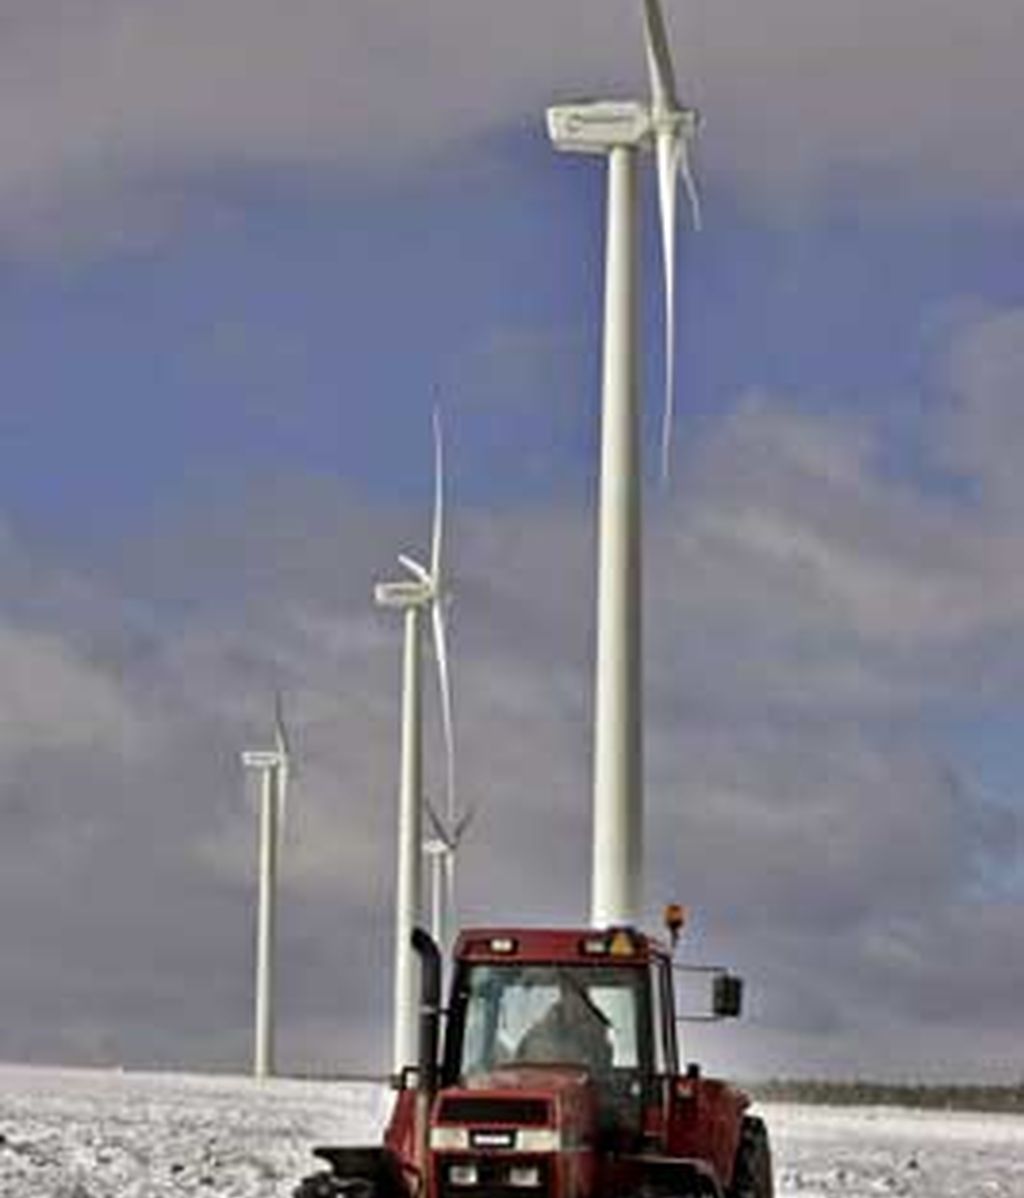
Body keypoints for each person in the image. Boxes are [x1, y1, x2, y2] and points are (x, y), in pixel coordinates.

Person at [515, 976, 613, 1072]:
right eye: (570, 993)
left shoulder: (594, 1025)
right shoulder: (541, 1033)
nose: (577, 1003)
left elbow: (604, 1061)